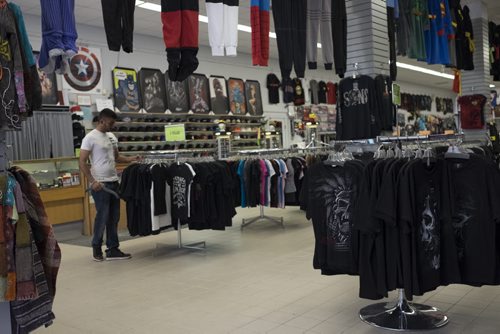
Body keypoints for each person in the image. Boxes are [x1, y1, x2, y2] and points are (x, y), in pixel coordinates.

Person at [79, 109, 139, 261]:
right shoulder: (90, 138)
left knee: (114, 217)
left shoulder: (112, 137)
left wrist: (132, 158)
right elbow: (82, 161)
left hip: (113, 182)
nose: (113, 126)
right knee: (103, 216)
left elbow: (117, 157)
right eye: (111, 123)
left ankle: (112, 249)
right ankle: (96, 247)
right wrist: (93, 181)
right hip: (100, 184)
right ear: (102, 121)